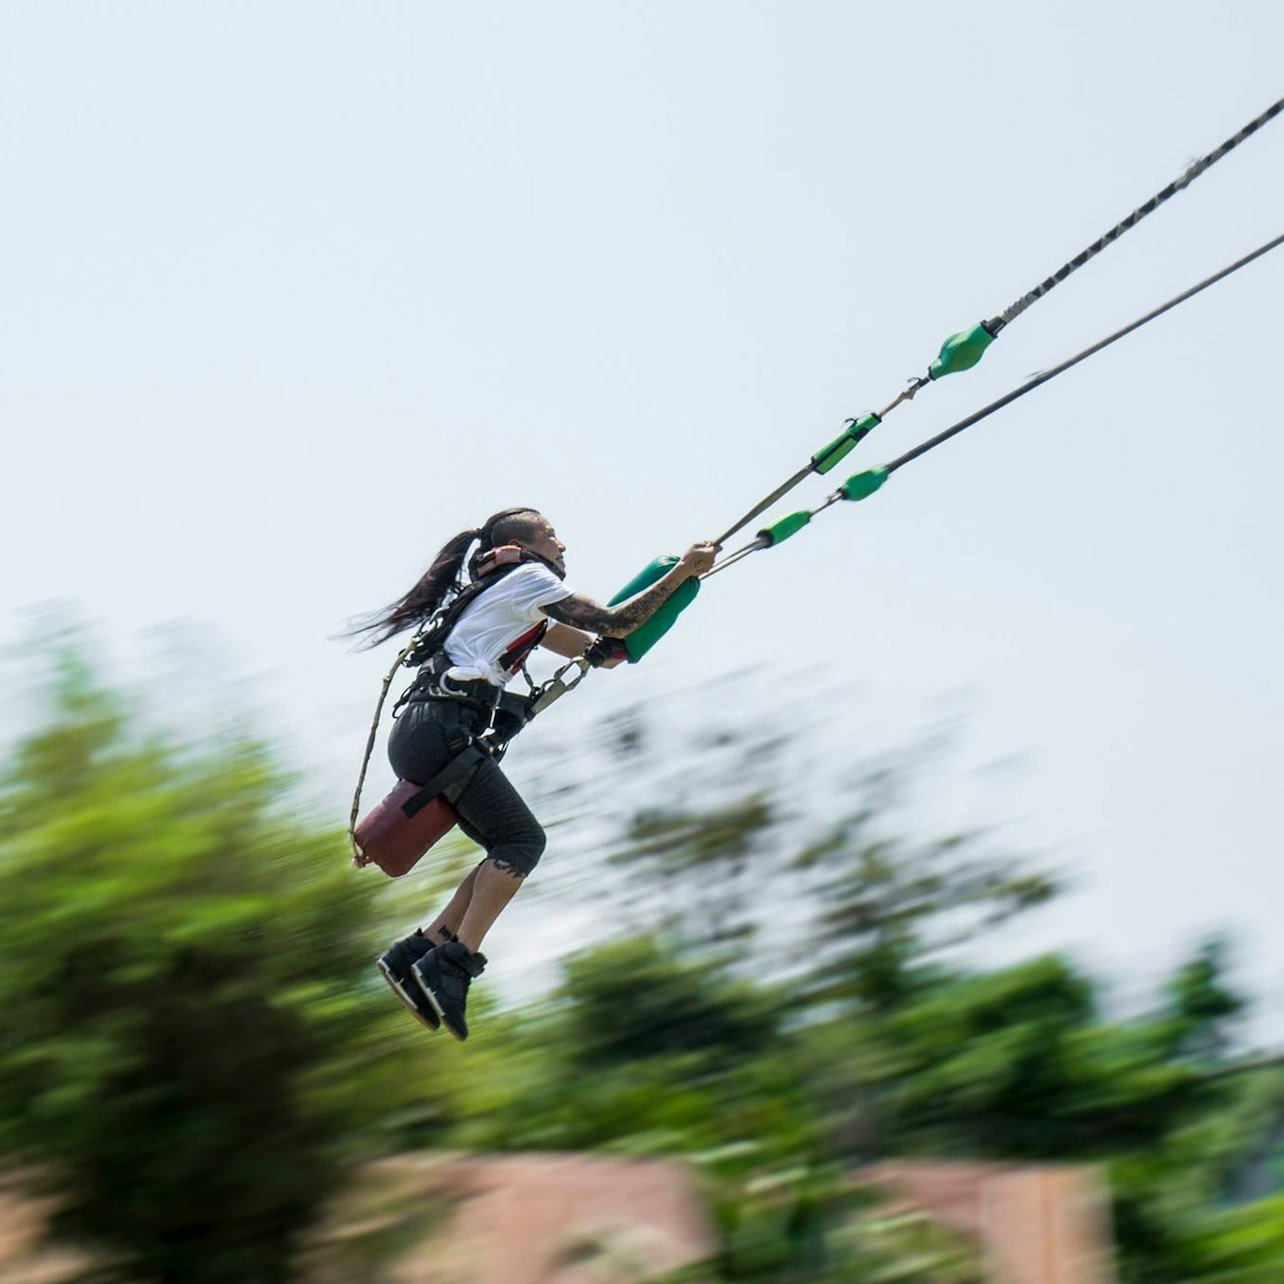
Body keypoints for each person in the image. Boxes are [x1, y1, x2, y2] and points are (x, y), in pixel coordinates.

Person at [354, 507, 719, 1040]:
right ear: (522, 547)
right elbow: (612, 620)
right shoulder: (528, 579)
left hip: (427, 732)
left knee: (508, 843)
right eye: (550, 535)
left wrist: (676, 589)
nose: (562, 544)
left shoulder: (515, 600)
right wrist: (682, 570)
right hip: (440, 730)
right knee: (523, 842)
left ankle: (421, 951)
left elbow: (605, 650)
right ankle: (452, 963)